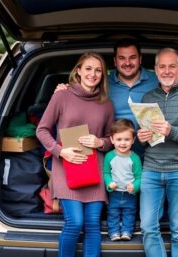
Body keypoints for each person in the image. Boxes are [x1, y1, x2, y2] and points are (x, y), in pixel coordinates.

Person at [36, 52, 115, 257]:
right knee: (75, 223)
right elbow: (41, 130)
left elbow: (110, 139)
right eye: (88, 68)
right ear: (78, 71)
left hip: (94, 171)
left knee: (92, 225)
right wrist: (60, 151)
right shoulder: (62, 96)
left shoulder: (106, 103)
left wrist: (100, 142)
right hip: (66, 168)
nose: (93, 74)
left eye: (98, 70)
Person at [137, 48, 178, 257]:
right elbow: (149, 140)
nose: (167, 71)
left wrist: (170, 130)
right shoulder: (148, 97)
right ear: (155, 70)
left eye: (172, 66)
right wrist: (143, 138)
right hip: (152, 170)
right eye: (162, 67)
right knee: (148, 228)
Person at [56, 38, 158, 156]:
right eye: (122, 58)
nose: (127, 63)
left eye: (132, 57)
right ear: (115, 61)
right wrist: (64, 91)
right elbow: (81, 95)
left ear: (140, 59)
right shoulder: (101, 84)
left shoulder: (157, 81)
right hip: (111, 155)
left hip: (152, 155)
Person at [103, 119, 142, 241]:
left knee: (129, 213)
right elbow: (106, 172)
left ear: (133, 140)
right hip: (114, 193)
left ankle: (127, 231)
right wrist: (109, 183)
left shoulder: (135, 158)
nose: (123, 143)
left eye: (127, 139)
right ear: (112, 140)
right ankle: (114, 232)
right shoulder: (109, 156)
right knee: (113, 213)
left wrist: (135, 186)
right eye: (119, 139)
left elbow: (139, 177)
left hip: (130, 193)